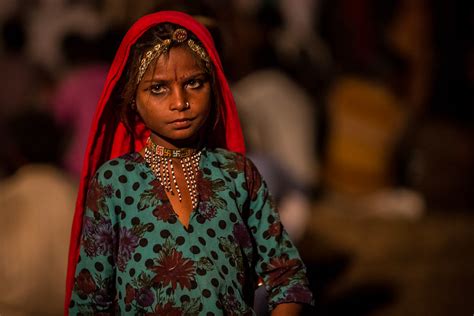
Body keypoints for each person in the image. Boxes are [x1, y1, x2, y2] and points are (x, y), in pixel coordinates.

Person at [66, 11, 313, 315]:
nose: (180, 102)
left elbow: (287, 274)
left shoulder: (237, 174)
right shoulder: (115, 183)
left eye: (194, 83)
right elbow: (89, 300)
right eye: (158, 88)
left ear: (214, 86)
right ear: (132, 99)